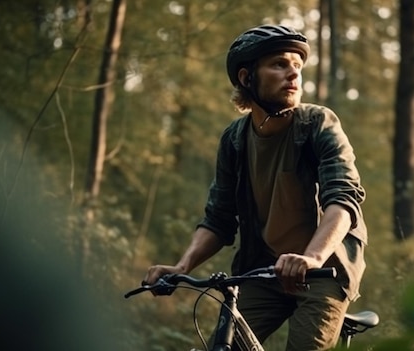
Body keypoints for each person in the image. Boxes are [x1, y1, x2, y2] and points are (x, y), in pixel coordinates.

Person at [143, 24, 368, 350]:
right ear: (247, 78)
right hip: (265, 270)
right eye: (279, 64)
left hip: (325, 271)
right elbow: (218, 219)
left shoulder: (318, 123)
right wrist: (181, 267)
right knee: (227, 344)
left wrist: (312, 258)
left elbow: (343, 199)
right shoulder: (235, 140)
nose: (293, 74)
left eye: (297, 66)